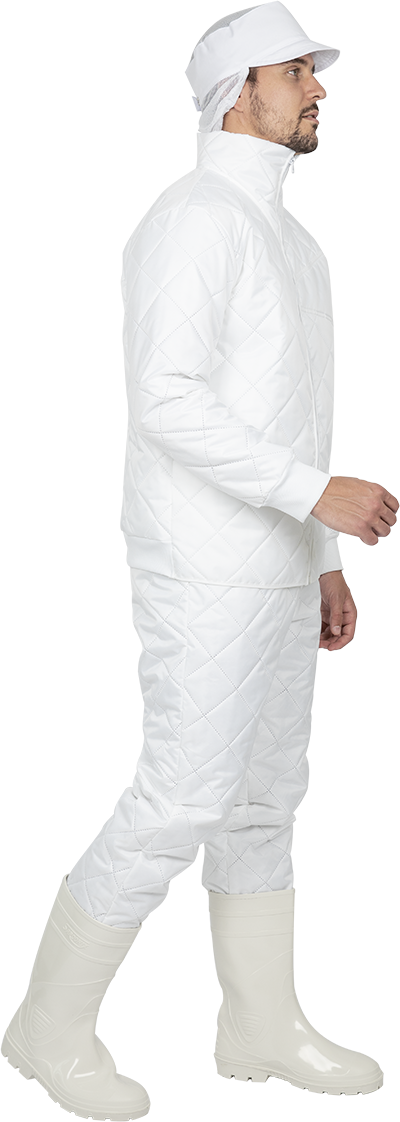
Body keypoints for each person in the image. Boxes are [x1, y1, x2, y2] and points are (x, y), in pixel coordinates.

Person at [2, 4, 398, 1120]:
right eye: (295, 72)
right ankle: (49, 1028)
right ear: (238, 92)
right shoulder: (195, 220)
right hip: (204, 565)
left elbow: (279, 411)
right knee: (181, 795)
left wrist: (320, 558)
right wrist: (316, 493)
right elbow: (167, 402)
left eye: (313, 72)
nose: (318, 90)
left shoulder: (284, 239)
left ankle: (256, 1023)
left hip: (276, 563)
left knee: (264, 802)